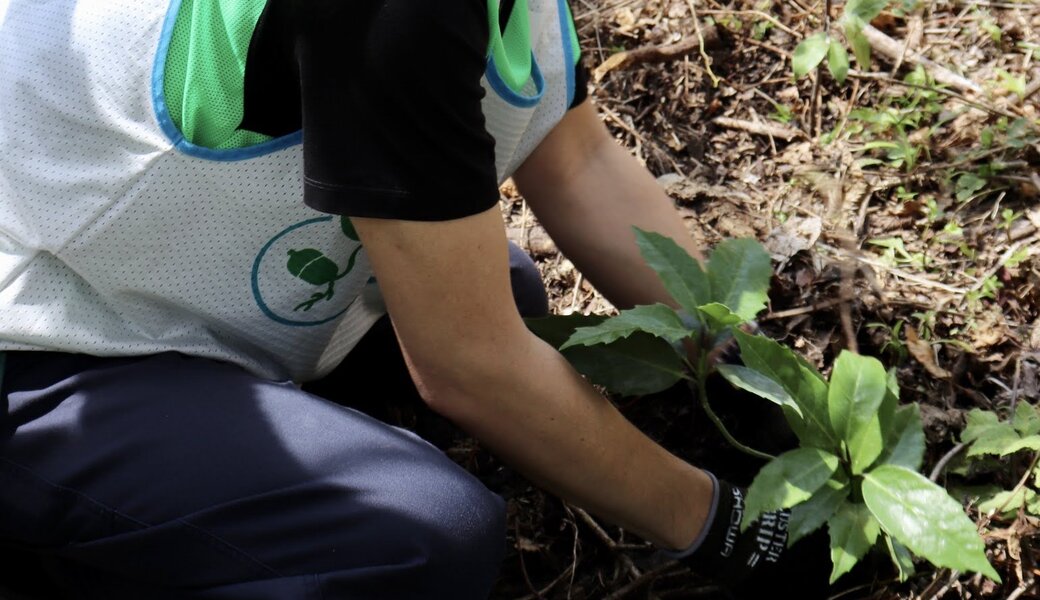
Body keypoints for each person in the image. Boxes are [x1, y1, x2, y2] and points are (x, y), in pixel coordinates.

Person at [0, 1, 829, 598]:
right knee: (417, 539)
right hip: (46, 334)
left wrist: (748, 366)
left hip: (168, 284)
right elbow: (469, 367)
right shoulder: (392, 15)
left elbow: (577, 160)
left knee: (507, 297)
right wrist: (721, 526)